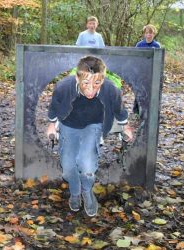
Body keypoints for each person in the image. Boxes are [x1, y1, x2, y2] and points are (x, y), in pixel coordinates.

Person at [46, 56, 134, 217]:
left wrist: (126, 127)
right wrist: (52, 124)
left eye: (97, 83)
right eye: (86, 83)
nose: (91, 89)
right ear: (77, 77)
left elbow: (119, 110)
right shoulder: (63, 87)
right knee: (68, 168)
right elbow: (54, 107)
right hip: (68, 123)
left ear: (103, 78)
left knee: (87, 167)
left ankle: (86, 192)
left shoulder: (111, 89)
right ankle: (75, 191)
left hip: (94, 125)